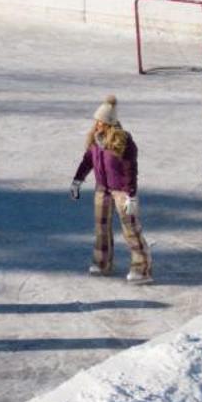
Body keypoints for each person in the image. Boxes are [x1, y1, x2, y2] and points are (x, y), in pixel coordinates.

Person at [70, 95, 153, 283]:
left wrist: (131, 196)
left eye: (101, 122)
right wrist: (77, 181)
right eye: (96, 121)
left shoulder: (123, 142)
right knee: (101, 228)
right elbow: (87, 162)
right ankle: (102, 262)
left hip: (122, 191)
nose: (97, 125)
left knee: (130, 229)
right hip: (102, 189)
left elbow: (130, 170)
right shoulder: (95, 140)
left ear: (109, 123)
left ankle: (142, 268)